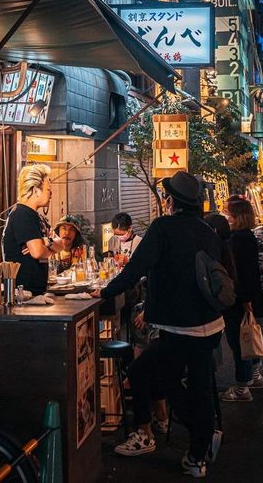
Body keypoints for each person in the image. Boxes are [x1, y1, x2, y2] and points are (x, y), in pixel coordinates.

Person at [94, 171, 223, 478]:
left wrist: (105, 291)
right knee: (199, 386)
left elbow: (136, 268)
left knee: (152, 375)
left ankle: (193, 438)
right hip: (211, 324)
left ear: (171, 201)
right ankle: (198, 453)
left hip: (180, 327)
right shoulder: (207, 230)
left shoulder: (163, 228)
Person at [218, 197, 263, 403]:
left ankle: (242, 388)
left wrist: (245, 299)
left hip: (240, 298)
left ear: (237, 216)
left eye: (228, 212)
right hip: (248, 295)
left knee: (238, 342)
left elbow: (243, 272)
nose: (225, 215)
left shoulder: (239, 239)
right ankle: (255, 378)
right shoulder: (244, 236)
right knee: (247, 337)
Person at [2, 164, 63, 296]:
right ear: (36, 190)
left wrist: (45, 242)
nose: (51, 194)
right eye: (48, 190)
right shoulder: (22, 215)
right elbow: (38, 252)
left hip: (36, 290)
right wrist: (46, 246)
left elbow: (60, 244)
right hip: (23, 292)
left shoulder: (38, 217)